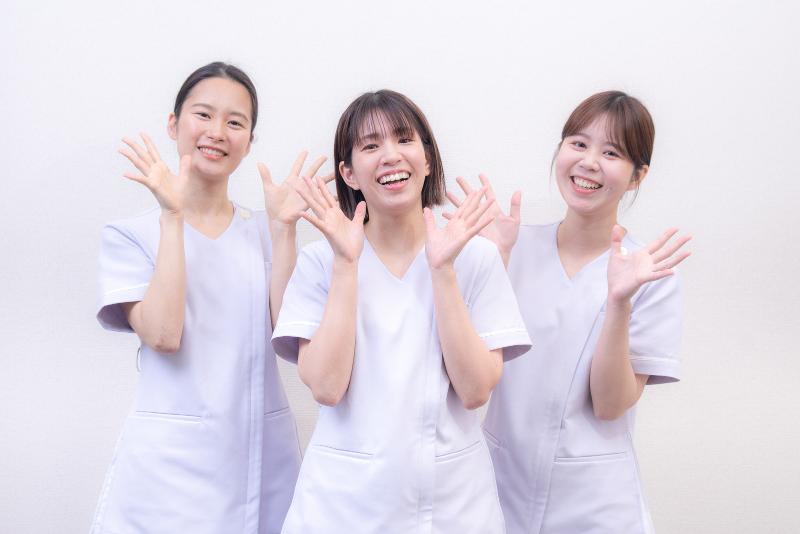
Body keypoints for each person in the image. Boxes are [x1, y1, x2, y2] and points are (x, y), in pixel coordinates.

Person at [271, 89, 531, 533]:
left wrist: (442, 270)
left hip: (451, 508)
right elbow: (327, 387)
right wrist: (346, 264)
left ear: (427, 159)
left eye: (404, 140)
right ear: (349, 173)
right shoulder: (321, 262)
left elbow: (475, 391)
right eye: (371, 146)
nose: (391, 155)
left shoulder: (475, 258)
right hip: (342, 508)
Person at [92, 62, 324, 534]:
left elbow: (291, 336)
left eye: (235, 122)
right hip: (168, 471)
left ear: (249, 141)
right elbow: (163, 334)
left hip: (260, 457)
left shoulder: (264, 231)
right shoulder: (131, 236)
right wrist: (172, 216)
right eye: (203, 115)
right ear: (173, 124)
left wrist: (283, 231)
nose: (217, 132)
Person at [449, 90, 691, 533]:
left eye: (612, 153)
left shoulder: (649, 275)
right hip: (499, 487)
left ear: (637, 176)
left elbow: (611, 404)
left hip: (595, 505)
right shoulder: (512, 248)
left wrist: (618, 301)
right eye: (578, 144)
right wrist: (496, 258)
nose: (589, 162)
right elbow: (466, 373)